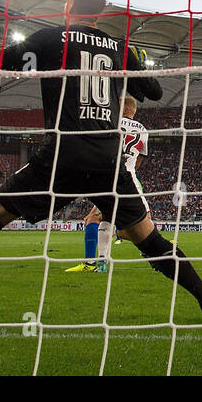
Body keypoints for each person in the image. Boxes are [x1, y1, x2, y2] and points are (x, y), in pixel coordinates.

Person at [0, 0, 202, 326]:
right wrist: (134, 61)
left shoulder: (51, 38)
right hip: (108, 163)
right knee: (151, 240)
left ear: (69, 4)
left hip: (63, 156)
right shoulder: (117, 47)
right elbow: (153, 91)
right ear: (101, 11)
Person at [67, 94, 149, 273]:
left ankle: (97, 262)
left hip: (110, 178)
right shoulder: (143, 130)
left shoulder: (111, 123)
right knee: (131, 222)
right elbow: (138, 161)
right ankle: (105, 259)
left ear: (125, 109)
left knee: (96, 219)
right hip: (130, 180)